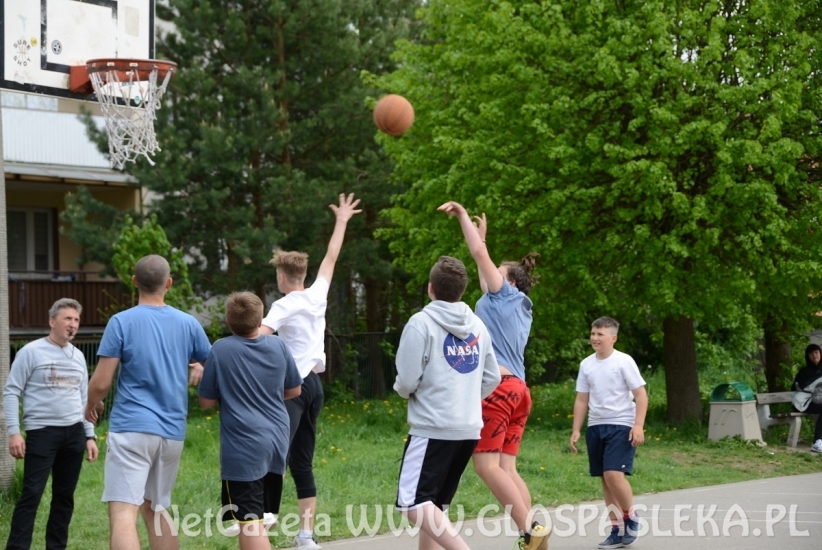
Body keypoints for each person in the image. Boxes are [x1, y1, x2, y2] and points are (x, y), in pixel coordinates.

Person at [437, 201, 549, 550]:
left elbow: (477, 254)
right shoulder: (518, 307)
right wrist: (481, 240)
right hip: (519, 390)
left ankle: (530, 530)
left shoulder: (502, 297)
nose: (490, 276)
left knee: (485, 466)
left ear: (509, 280)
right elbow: (480, 258)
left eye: (497, 272)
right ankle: (534, 538)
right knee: (507, 468)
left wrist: (462, 218)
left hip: (498, 390)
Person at [84, 254, 212, 550]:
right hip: (171, 433)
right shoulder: (188, 323)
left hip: (132, 429)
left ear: (134, 282)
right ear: (169, 283)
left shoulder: (121, 322)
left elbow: (102, 382)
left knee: (123, 513)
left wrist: (92, 403)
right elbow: (216, 365)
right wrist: (203, 368)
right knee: (156, 507)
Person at [259, 192, 361, 549]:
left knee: (274, 458)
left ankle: (264, 528)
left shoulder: (284, 305)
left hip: (293, 390)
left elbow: (257, 335)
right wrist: (342, 220)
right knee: (301, 461)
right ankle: (306, 537)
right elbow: (332, 257)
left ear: (284, 276)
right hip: (316, 387)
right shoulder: (317, 294)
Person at [394, 255, 501, 550]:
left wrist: (409, 392)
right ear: (462, 290)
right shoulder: (478, 325)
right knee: (434, 504)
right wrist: (464, 398)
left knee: (412, 503)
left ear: (431, 288)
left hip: (433, 427)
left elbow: (406, 382)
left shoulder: (421, 323)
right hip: (468, 427)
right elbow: (492, 377)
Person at [199, 292, 303, 548]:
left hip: (244, 448)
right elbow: (295, 390)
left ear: (228, 320)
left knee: (250, 522)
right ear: (260, 320)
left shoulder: (221, 349)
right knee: (254, 519)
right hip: (277, 442)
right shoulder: (278, 345)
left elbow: (206, 401)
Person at [3, 298, 99, 550]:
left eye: (77, 319)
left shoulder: (78, 356)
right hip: (42, 432)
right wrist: (14, 432)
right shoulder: (31, 352)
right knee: (32, 494)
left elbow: (83, 400)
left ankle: (56, 547)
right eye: (68, 318)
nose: (73, 324)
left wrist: (89, 435)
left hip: (74, 434)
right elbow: (11, 392)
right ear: (52, 321)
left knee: (64, 497)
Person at [570, 317, 647, 549]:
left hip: (621, 424)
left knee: (614, 474)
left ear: (613, 337)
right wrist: (576, 429)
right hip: (596, 426)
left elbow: (641, 395)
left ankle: (630, 516)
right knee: (605, 480)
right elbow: (582, 399)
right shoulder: (586, 364)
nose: (595, 338)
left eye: (600, 334)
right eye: (593, 333)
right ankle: (617, 530)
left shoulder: (624, 361)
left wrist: (638, 425)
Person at [792, 343, 822, 453]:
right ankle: (817, 441)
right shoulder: (804, 372)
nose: (814, 355)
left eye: (816, 352)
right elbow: (795, 389)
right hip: (803, 402)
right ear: (807, 356)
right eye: (811, 353)